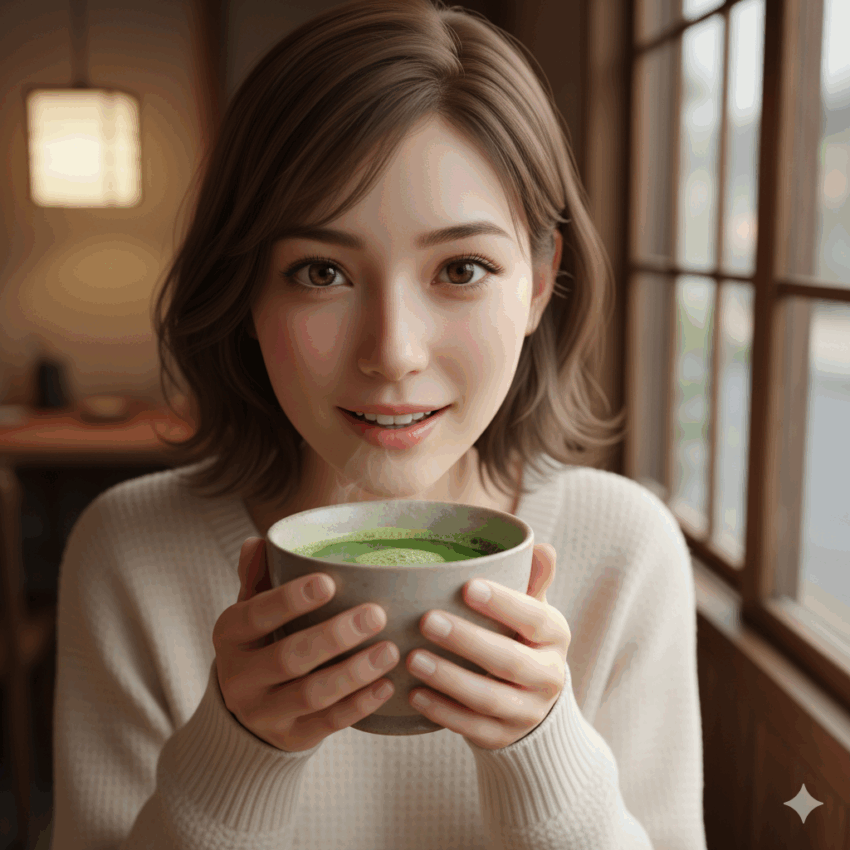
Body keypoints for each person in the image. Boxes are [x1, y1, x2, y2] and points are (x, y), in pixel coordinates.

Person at [50, 1, 708, 847]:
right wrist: (236, 753)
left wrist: (544, 753)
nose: (393, 352)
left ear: (540, 281)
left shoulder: (624, 549)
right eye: (320, 271)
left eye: (461, 268)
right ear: (246, 291)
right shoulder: (130, 553)